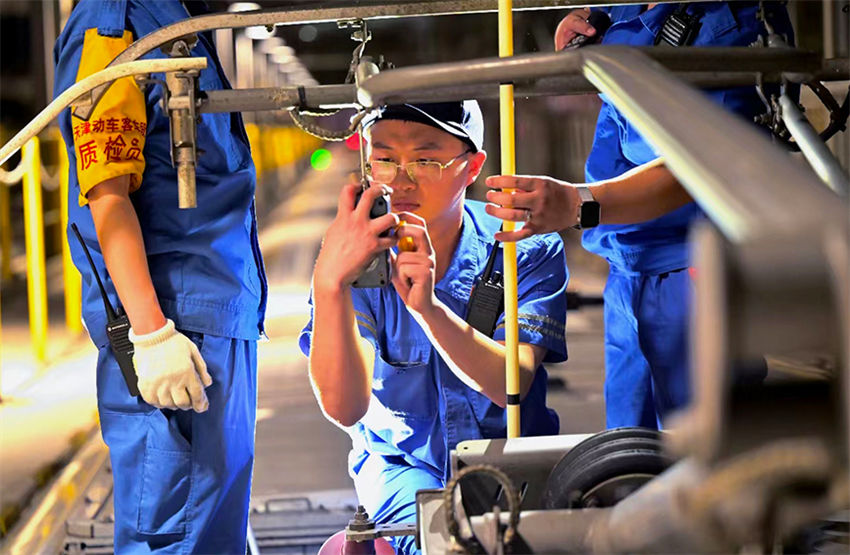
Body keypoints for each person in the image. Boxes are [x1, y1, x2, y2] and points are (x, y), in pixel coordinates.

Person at [485, 2, 794, 429]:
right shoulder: (633, 9)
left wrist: (579, 203)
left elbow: (706, 167)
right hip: (629, 267)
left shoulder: (730, 28)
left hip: (694, 273)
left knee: (705, 463)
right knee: (630, 452)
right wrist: (587, 24)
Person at [300, 101, 567, 554]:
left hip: (514, 460)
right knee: (445, 544)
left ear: (472, 167)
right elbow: (345, 408)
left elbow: (512, 383)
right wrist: (329, 283)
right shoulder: (361, 258)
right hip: (402, 466)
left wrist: (428, 309)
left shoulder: (523, 245)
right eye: (384, 159)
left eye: (426, 159)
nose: (401, 180)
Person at [54, 0, 267, 552]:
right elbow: (106, 193)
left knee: (211, 528)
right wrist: (150, 334)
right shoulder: (116, 20)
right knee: (175, 534)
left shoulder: (177, 17)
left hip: (216, 315)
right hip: (175, 326)